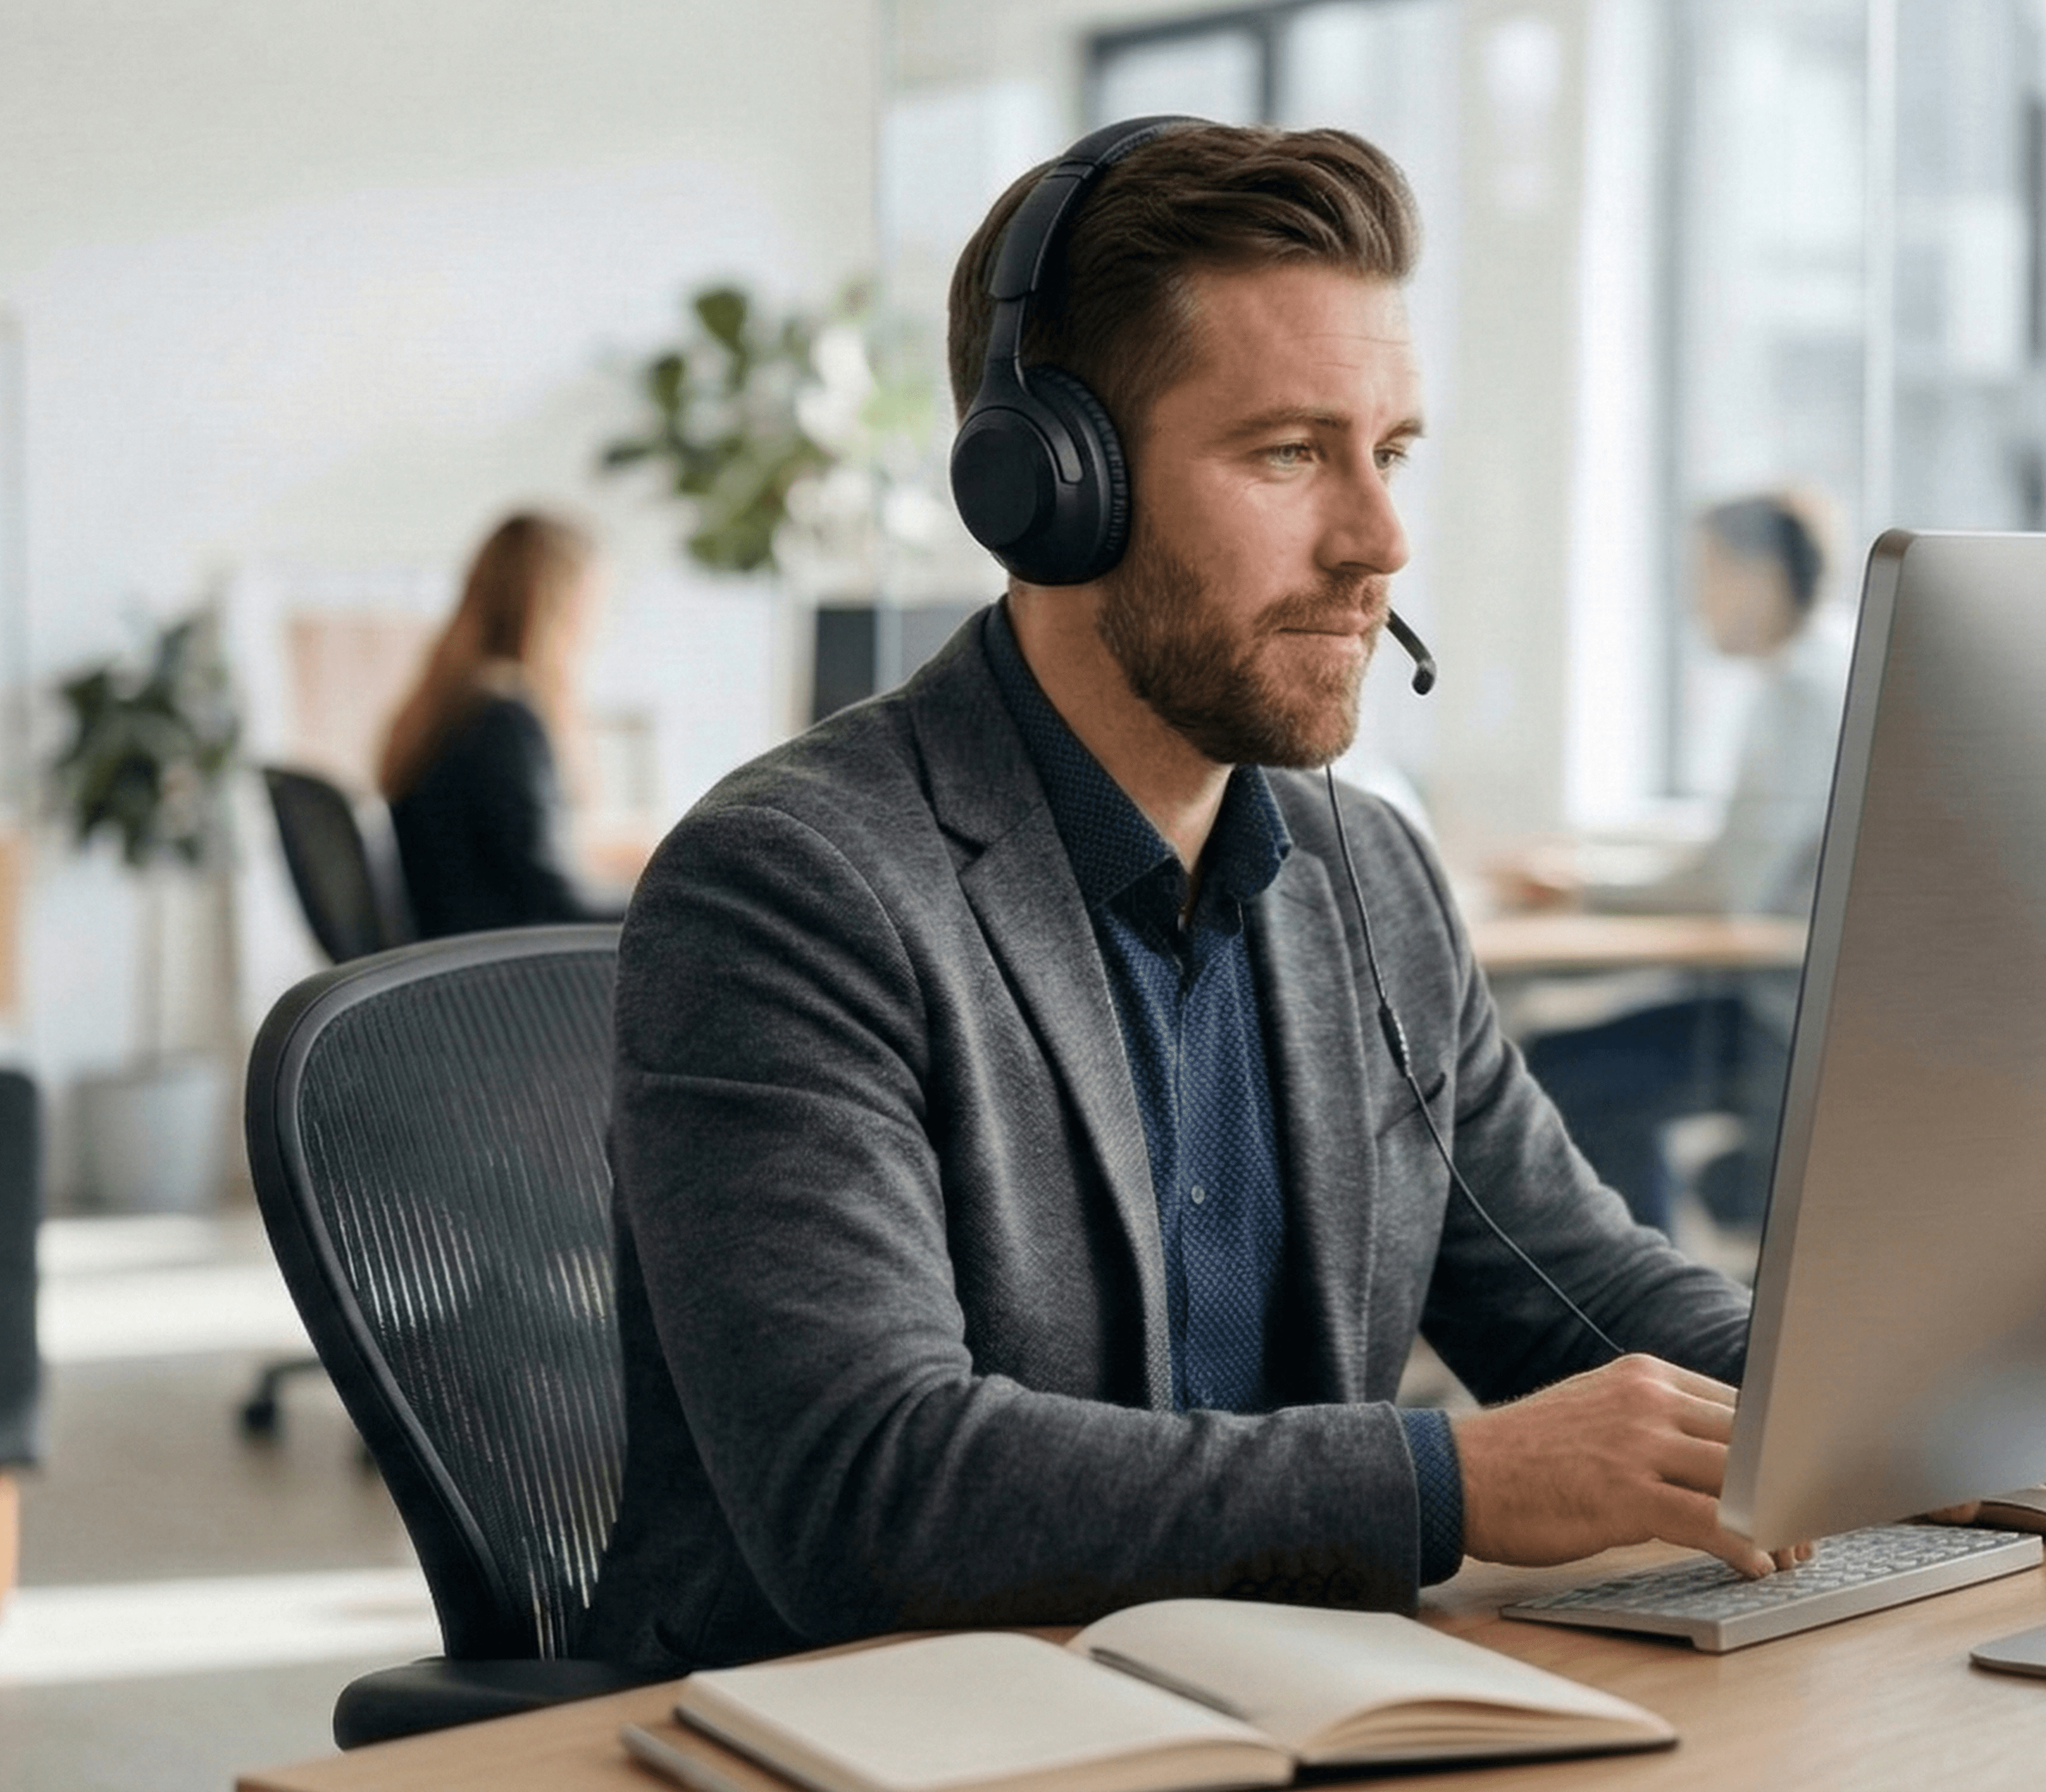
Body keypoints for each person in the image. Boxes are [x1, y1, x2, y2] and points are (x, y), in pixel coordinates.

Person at [577, 121, 1789, 1680]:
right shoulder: (794, 891)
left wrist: (1885, 1407)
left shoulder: (1368, 877)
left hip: (1278, 1707)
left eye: (1391, 451)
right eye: (1290, 453)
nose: (1378, 541)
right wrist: (1453, 1481)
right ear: (1051, 486)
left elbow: (1572, 1283)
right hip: (876, 1729)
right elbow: (869, 1490)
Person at [1519, 491, 1851, 1236]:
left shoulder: (1803, 689)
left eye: (1707, 573)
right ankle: (1651, 1283)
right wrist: (1592, 867)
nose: (1695, 600)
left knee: (1561, 1067)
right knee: (1581, 1062)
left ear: (1760, 575)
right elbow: (1741, 850)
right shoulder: (1826, 668)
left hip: (1786, 1024)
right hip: (1811, 1007)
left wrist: (1584, 889)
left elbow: (1733, 885)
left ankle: (1646, 1307)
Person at [376, 509, 621, 935]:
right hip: (501, 979)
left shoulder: (455, 703)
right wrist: (667, 910)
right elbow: (553, 906)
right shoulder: (505, 720)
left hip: (454, 960)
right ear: (556, 610)